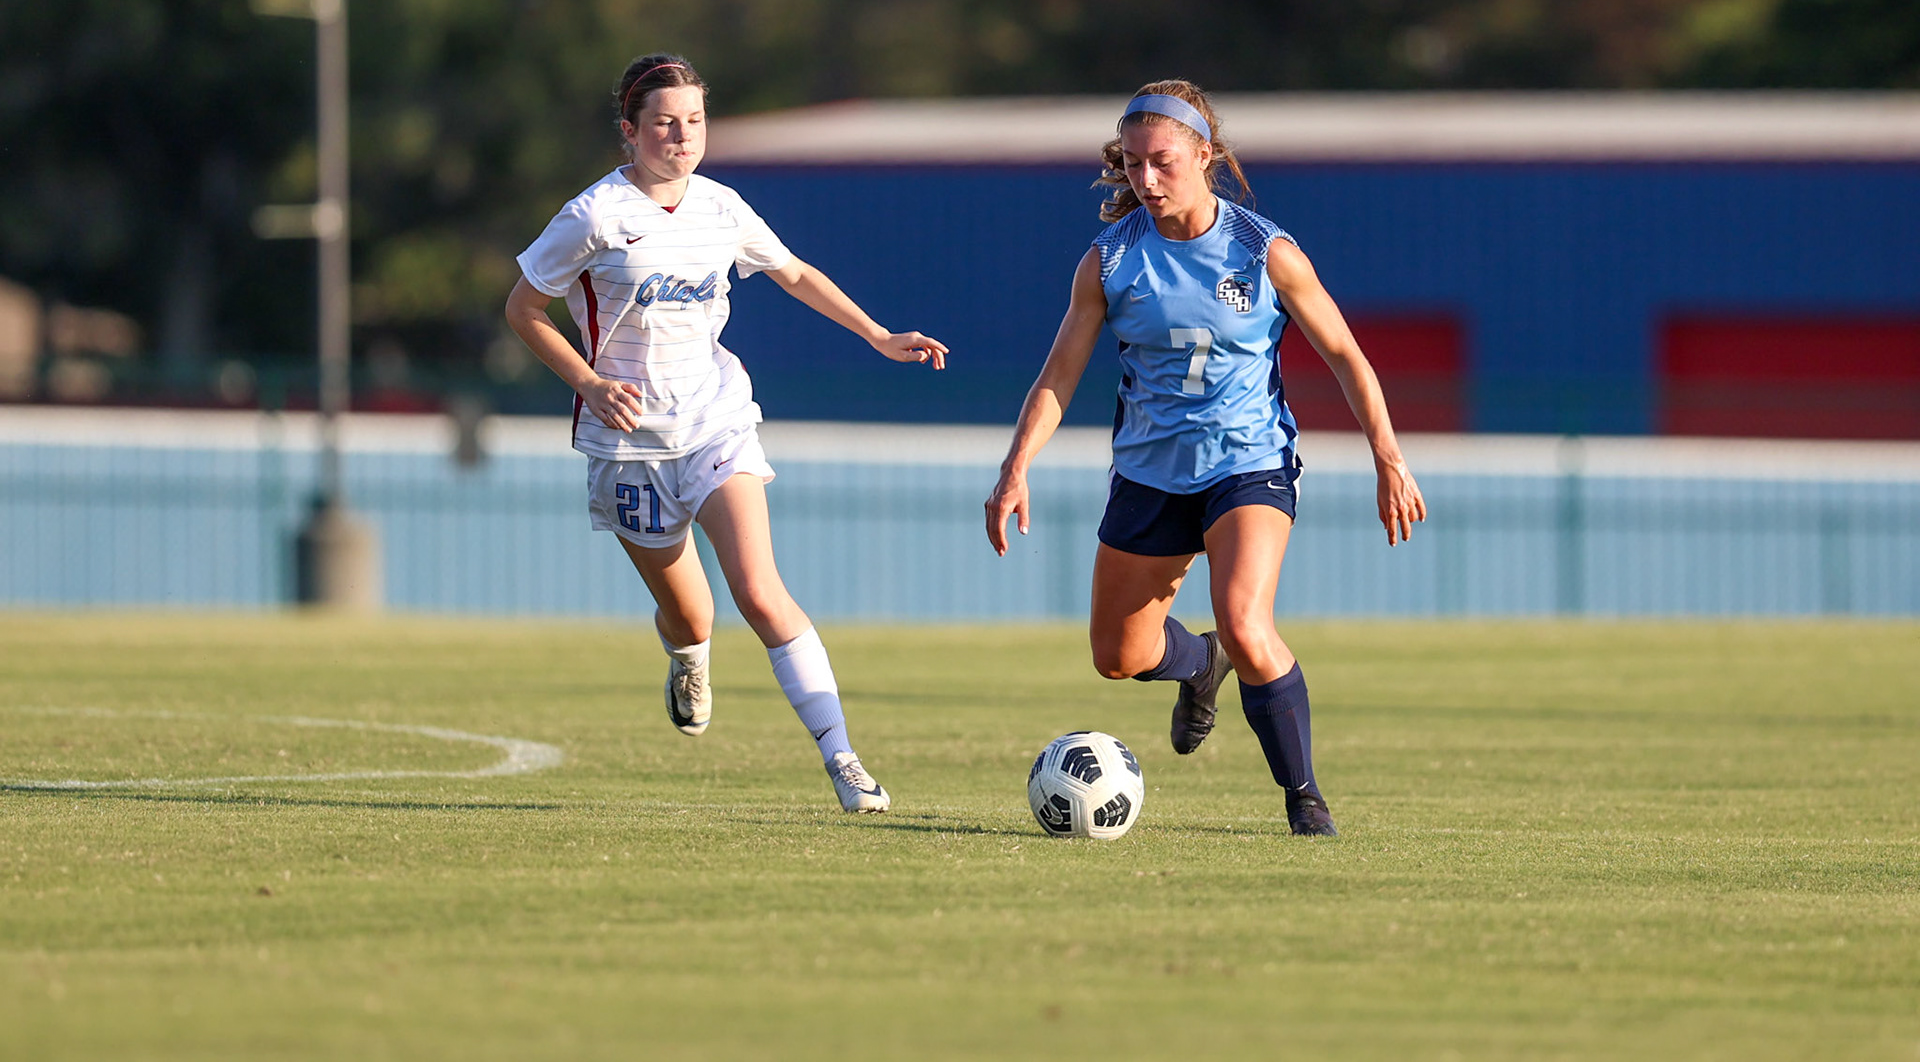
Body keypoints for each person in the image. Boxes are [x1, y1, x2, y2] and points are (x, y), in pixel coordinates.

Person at [507, 53, 947, 813]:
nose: (681, 136)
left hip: (715, 420)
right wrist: (587, 381)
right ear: (631, 131)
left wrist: (876, 335)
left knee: (761, 593)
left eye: (694, 121)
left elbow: (794, 272)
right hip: (630, 446)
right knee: (693, 614)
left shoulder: (721, 207)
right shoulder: (594, 216)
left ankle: (843, 759)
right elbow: (522, 310)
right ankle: (688, 656)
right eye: (665, 123)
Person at [984, 81, 1426, 837]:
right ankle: (1199, 665)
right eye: (1131, 166)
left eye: (1162, 163)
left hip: (1247, 464)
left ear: (1205, 154)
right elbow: (1059, 374)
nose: (1146, 182)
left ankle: (1305, 800)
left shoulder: (1265, 251)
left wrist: (1388, 457)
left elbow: (1347, 355)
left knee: (1249, 623)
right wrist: (1015, 465)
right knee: (1117, 657)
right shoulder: (1111, 261)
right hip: (1150, 474)